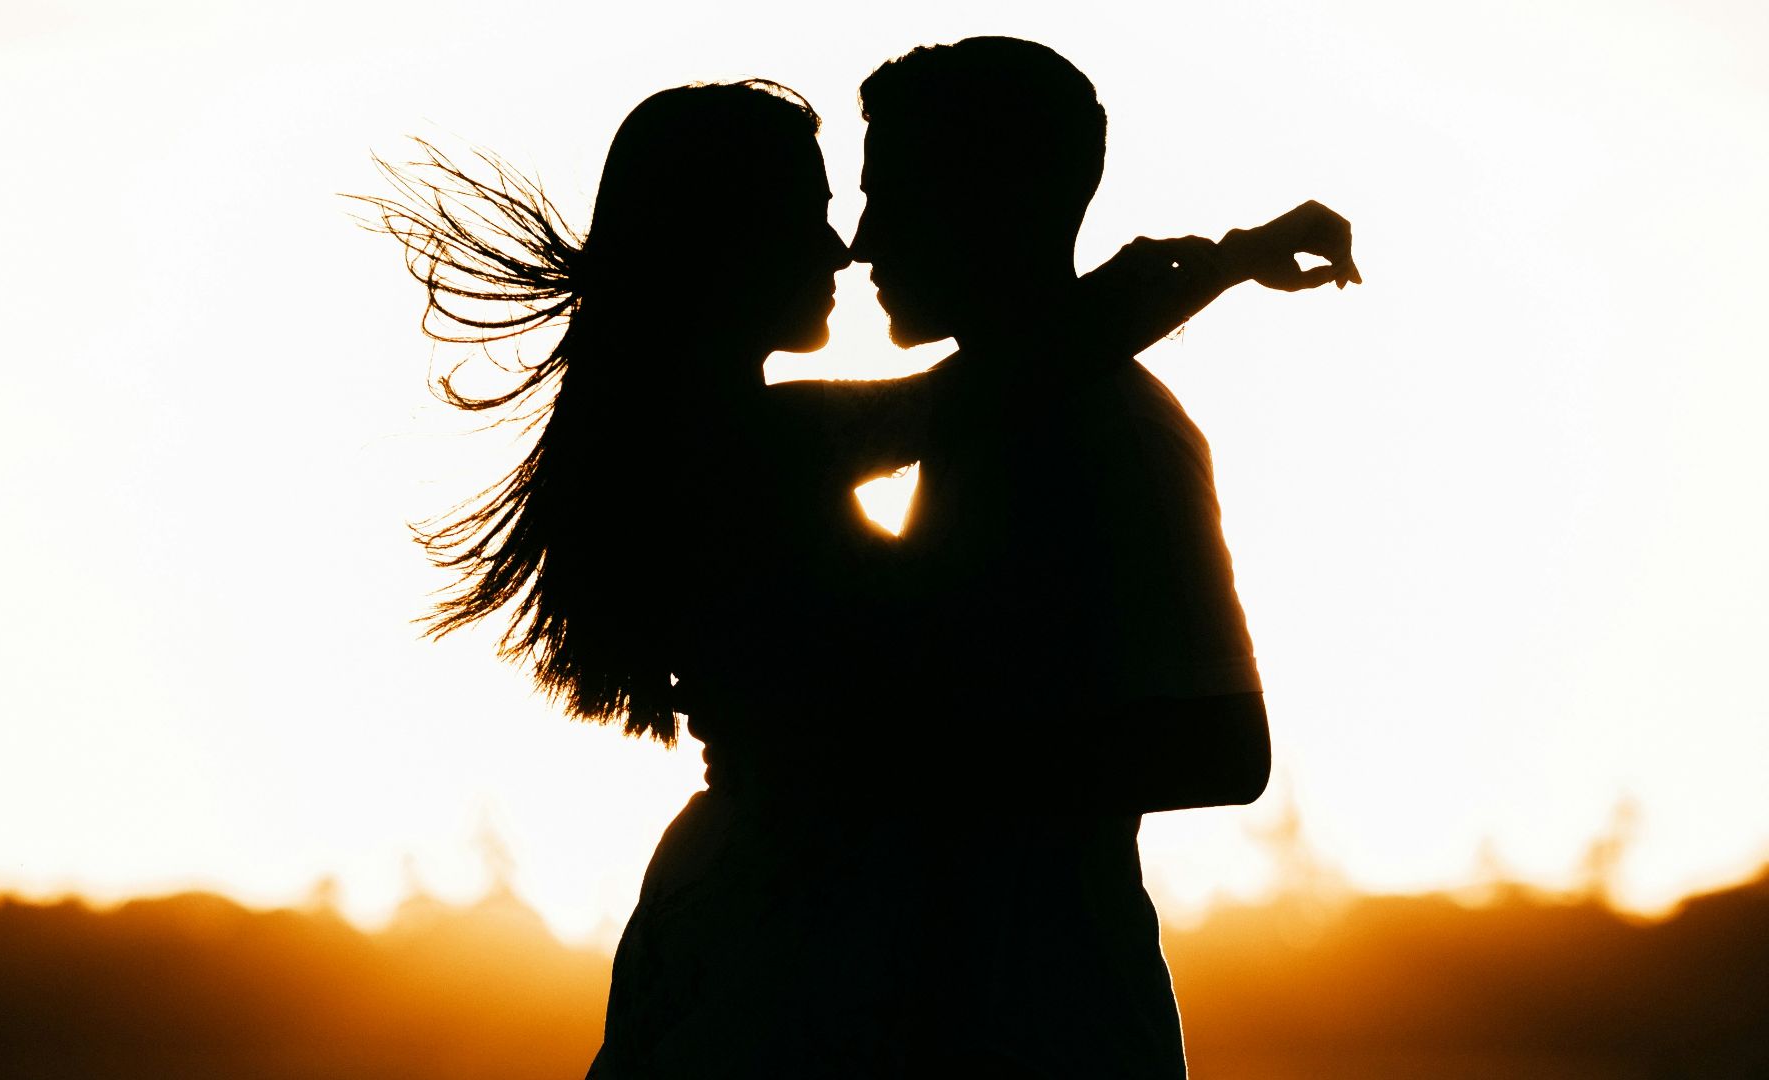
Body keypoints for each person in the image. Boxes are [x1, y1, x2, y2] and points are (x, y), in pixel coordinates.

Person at [357, 69, 1355, 1078]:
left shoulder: (707, 437)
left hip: (765, 909)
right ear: (725, 244)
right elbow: (1001, 378)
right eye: (811, 214)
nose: (845, 246)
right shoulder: (749, 445)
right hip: (778, 934)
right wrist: (1226, 262)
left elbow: (1002, 382)